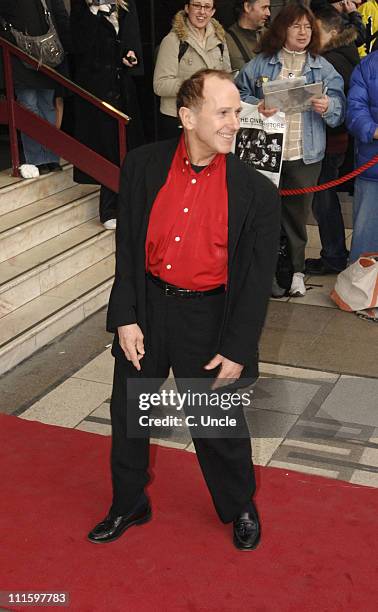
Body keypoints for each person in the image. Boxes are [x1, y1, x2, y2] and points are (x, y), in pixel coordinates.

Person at [87, 68, 280, 551]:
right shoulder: (142, 166)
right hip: (148, 307)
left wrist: (237, 348)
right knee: (131, 415)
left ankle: (239, 505)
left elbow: (256, 284)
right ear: (188, 116)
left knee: (215, 425)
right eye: (224, 112)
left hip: (209, 318)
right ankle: (129, 502)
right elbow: (127, 248)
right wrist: (126, 315)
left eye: (238, 111)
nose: (236, 121)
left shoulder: (255, 191)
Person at [235, 1, 345, 297]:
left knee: (297, 216)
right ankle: (266, 272)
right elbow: (238, 92)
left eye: (308, 26)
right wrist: (256, 105)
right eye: (296, 25)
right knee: (263, 215)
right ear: (282, 29)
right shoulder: (262, 63)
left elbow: (339, 108)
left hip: (304, 154)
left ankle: (296, 270)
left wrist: (328, 106)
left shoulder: (322, 67)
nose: (303, 32)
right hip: (266, 154)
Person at [70, 0, 143, 230]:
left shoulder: (126, 7)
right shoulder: (83, 9)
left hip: (122, 91)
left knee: (126, 149)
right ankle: (109, 209)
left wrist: (130, 54)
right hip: (96, 94)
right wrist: (93, 11)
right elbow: (79, 47)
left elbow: (131, 43)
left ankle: (127, 205)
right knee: (107, 150)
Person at [306, 7, 360, 275]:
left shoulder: (333, 60)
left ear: (334, 32)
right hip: (334, 140)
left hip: (328, 140)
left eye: (317, 31)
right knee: (324, 198)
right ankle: (335, 252)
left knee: (323, 200)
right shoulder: (346, 51)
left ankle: (334, 255)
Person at [0, 0, 70, 177]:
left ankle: (51, 157)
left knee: (47, 106)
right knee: (29, 106)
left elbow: (59, 13)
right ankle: (37, 159)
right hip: (18, 52)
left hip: (46, 54)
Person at [153, 1, 231, 139]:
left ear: (213, 12)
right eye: (197, 5)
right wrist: (196, 85)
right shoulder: (172, 41)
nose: (202, 12)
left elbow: (228, 77)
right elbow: (160, 85)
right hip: (179, 120)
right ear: (187, 8)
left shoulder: (220, 40)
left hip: (210, 117)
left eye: (207, 7)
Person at [346, 50, 378, 261]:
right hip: (371, 163)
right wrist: (373, 130)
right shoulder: (368, 66)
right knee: (366, 231)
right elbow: (354, 109)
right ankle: (359, 287)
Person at [226, 0, 271, 71]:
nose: (268, 13)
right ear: (247, 7)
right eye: (264, 7)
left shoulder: (270, 35)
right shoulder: (226, 40)